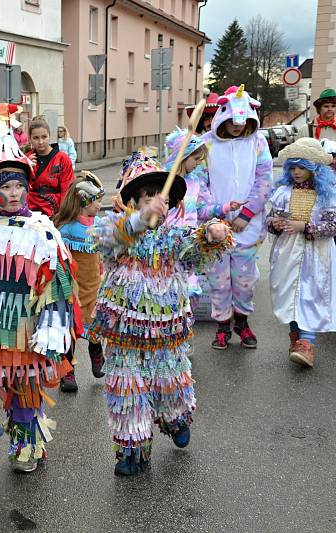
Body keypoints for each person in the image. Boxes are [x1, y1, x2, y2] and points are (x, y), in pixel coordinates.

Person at [0, 104, 82, 475]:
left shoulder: (41, 229)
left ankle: (26, 448)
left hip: (24, 335)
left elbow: (57, 283)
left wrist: (52, 329)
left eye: (19, 186)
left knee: (24, 393)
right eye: (5, 186)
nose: (13, 193)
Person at [90, 155, 232, 476]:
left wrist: (211, 233)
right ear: (133, 202)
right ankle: (131, 449)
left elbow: (194, 248)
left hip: (167, 334)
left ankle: (175, 420)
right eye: (148, 197)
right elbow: (108, 240)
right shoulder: (116, 230)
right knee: (128, 388)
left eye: (161, 198)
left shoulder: (172, 237)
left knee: (170, 383)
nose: (157, 203)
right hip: (125, 335)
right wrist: (139, 220)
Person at [201, 85, 272, 350]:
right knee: (218, 280)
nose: (238, 127)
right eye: (232, 121)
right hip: (215, 224)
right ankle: (222, 325)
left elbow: (264, 180)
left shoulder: (258, 142)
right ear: (223, 116)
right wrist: (216, 213)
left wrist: (246, 213)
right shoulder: (207, 143)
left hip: (247, 225)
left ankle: (241, 322)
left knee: (244, 281)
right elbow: (200, 182)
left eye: (243, 122)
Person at [267, 138, 336, 367]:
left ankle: (307, 344)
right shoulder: (284, 192)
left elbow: (332, 226)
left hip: (315, 253)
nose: (297, 172)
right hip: (287, 252)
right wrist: (275, 223)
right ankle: (296, 337)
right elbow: (271, 217)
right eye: (293, 167)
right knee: (289, 294)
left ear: (314, 169)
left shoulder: (326, 195)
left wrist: (305, 227)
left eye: (302, 167)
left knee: (310, 294)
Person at [163, 130, 243, 311]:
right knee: (168, 292)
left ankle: (183, 331)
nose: (199, 164)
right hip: (166, 246)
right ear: (183, 156)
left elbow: (201, 211)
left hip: (188, 245)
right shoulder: (163, 182)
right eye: (196, 159)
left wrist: (226, 208)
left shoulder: (195, 182)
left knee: (189, 292)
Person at [52, 171, 106, 393]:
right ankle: (67, 371)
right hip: (72, 288)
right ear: (84, 202)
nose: (101, 205)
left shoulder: (100, 224)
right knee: (70, 331)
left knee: (94, 325)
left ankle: (96, 355)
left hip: (94, 284)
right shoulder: (66, 229)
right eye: (97, 201)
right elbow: (59, 257)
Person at [26, 116, 75, 217]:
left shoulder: (62, 159)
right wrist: (26, 166)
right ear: (30, 139)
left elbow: (67, 188)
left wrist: (62, 215)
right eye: (36, 138)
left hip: (54, 210)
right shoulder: (26, 158)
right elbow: (21, 186)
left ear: (49, 136)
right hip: (30, 211)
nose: (40, 142)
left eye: (44, 137)